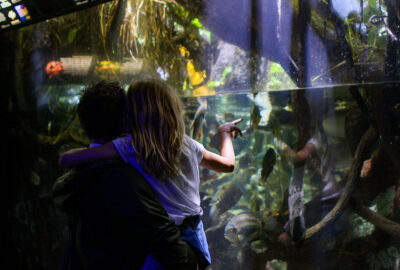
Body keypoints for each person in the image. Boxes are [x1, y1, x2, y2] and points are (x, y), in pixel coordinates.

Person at [59, 78, 243, 270]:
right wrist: (224, 134)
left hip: (166, 245)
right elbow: (228, 165)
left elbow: (66, 159)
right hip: (195, 237)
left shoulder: (130, 147)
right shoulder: (188, 144)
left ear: (130, 115)